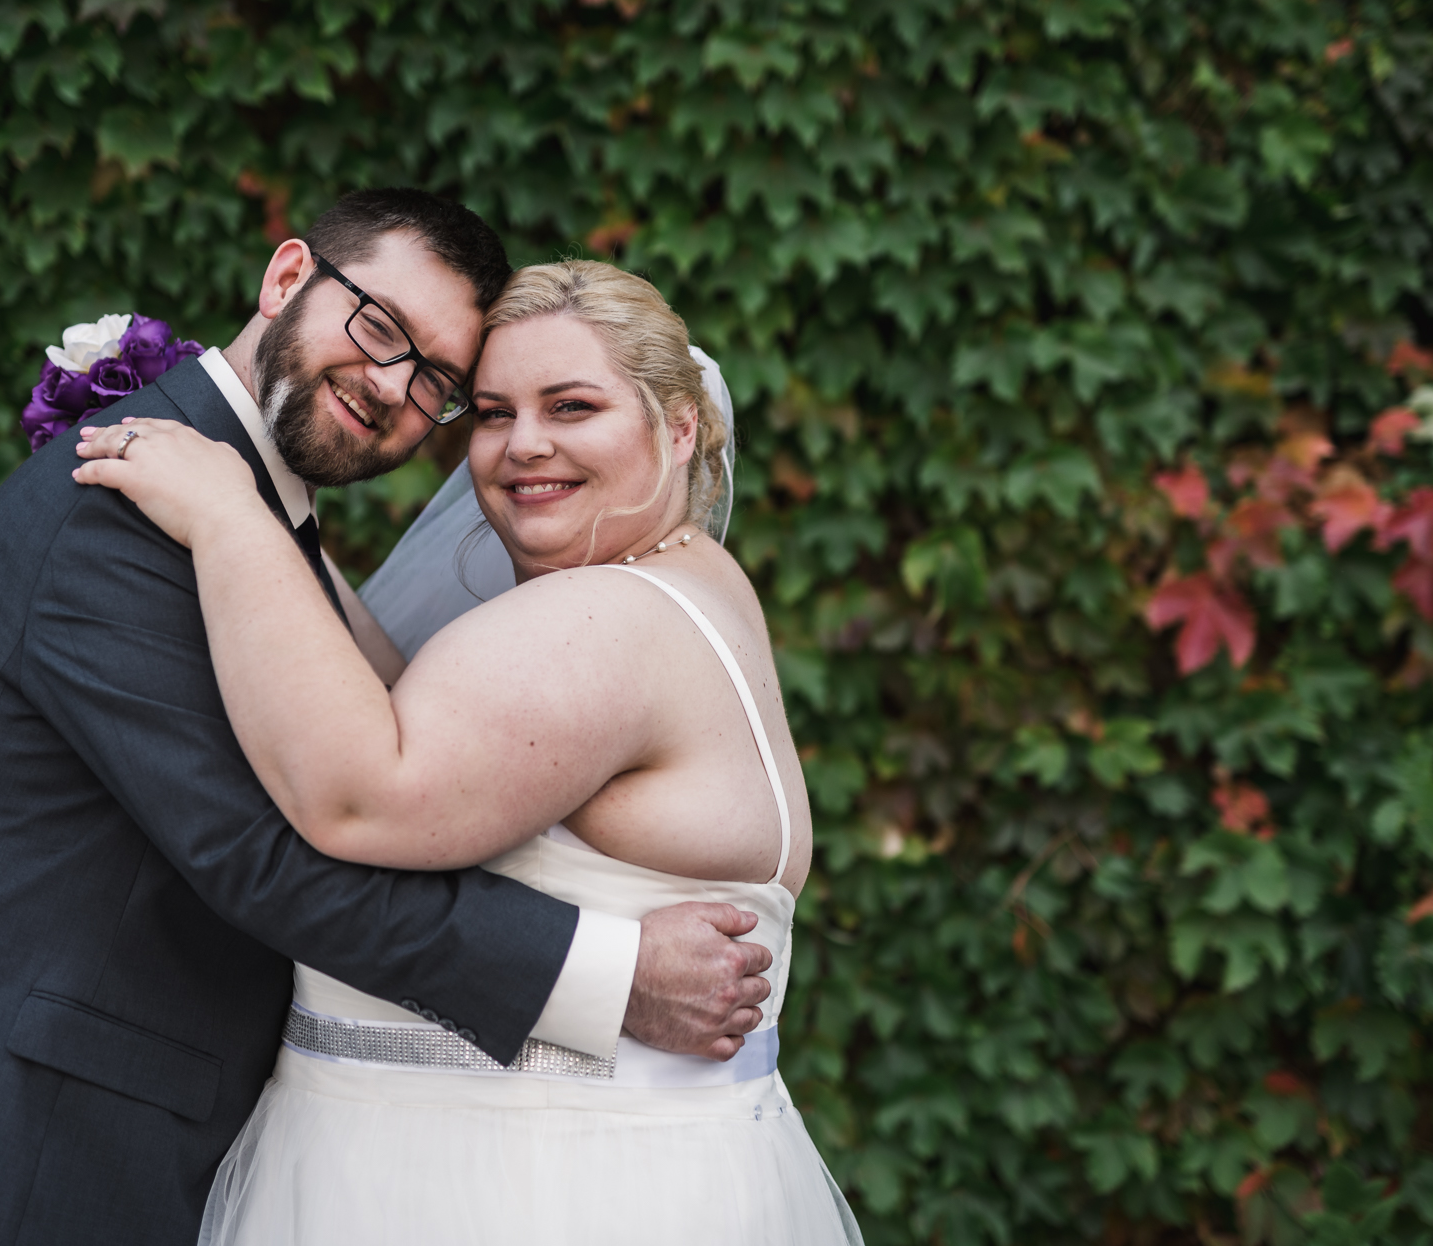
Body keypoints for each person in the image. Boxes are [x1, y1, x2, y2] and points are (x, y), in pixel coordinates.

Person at [0, 193, 775, 1246]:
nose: (392, 386)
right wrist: (609, 974)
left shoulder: (249, 514)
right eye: (378, 328)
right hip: (43, 1139)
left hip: (168, 1129)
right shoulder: (120, 508)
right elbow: (261, 855)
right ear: (286, 280)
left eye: (437, 383)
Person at [71, 259, 863, 1243]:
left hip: (521, 1187)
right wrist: (283, 528)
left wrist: (232, 518)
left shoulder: (602, 619)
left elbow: (361, 797)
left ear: (680, 425)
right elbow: (404, 704)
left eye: (571, 406)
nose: (524, 444)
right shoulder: (680, 578)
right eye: (492, 412)